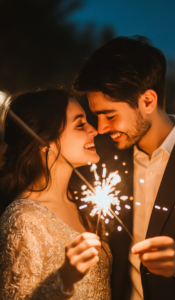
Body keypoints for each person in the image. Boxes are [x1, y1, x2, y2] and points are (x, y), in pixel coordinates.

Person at [74, 36, 175, 300]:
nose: (101, 128)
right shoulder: (102, 159)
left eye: (110, 115)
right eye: (96, 115)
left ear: (147, 101)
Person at [0, 89, 112, 300]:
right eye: (80, 125)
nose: (94, 130)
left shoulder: (82, 200)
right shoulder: (23, 220)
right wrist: (64, 279)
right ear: (44, 142)